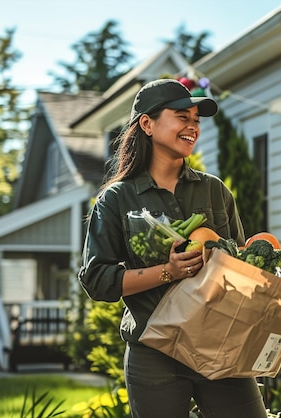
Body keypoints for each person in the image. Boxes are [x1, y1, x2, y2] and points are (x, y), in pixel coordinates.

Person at [78, 78, 268, 418]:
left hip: (220, 344)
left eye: (196, 120)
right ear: (147, 124)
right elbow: (98, 279)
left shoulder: (214, 191)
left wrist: (277, 265)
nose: (193, 126)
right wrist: (168, 272)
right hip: (154, 353)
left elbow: (241, 266)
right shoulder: (117, 199)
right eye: (182, 116)